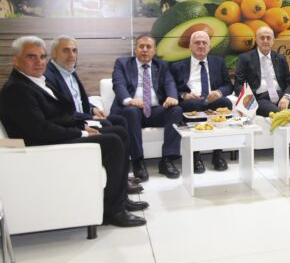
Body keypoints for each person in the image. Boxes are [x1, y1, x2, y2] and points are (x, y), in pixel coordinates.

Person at [0, 36, 147, 227]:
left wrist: (81, 126)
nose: (39, 62)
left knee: (120, 131)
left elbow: (60, 115)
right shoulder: (17, 89)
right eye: (31, 56)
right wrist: (81, 133)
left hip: (53, 136)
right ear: (16, 60)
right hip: (41, 147)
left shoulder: (35, 81)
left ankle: (119, 199)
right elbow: (39, 130)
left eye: (42, 56)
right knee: (112, 141)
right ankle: (113, 211)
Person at [45, 35, 143, 195]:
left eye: (74, 50)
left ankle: (122, 177)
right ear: (54, 53)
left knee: (120, 121)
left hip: (81, 117)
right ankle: (119, 184)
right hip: (74, 123)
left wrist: (92, 110)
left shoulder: (69, 71)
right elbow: (62, 111)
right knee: (112, 127)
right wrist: (89, 118)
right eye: (66, 50)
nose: (71, 55)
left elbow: (76, 100)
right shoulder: (49, 77)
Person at [111, 34, 183, 181]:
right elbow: (118, 84)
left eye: (148, 47)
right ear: (135, 49)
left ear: (154, 50)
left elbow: (169, 82)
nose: (144, 50)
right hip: (132, 111)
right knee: (131, 111)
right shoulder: (122, 63)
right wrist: (130, 100)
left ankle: (167, 160)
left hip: (154, 110)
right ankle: (138, 161)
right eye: (141, 46)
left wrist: (172, 97)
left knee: (176, 110)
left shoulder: (162, 65)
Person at [170, 30, 234, 173]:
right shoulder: (178, 66)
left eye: (204, 43)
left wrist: (219, 92)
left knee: (225, 103)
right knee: (192, 104)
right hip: (192, 101)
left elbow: (228, 85)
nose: (201, 45)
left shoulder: (218, 62)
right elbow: (171, 88)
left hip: (212, 100)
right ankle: (196, 155)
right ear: (190, 47)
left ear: (209, 47)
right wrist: (184, 95)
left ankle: (217, 154)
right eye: (197, 43)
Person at [233, 26, 290, 117]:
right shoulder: (245, 58)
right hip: (260, 99)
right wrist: (249, 101)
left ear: (273, 41)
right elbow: (238, 84)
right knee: (279, 116)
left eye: (268, 38)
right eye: (262, 38)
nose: (265, 40)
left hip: (282, 97)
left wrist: (286, 97)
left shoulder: (280, 58)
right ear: (256, 40)